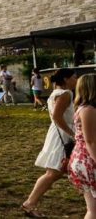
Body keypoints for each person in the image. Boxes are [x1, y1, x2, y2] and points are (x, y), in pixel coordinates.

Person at [22, 68, 77, 217]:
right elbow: (58, 117)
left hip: (58, 133)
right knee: (53, 173)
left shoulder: (57, 92)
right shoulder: (66, 94)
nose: (76, 80)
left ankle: (30, 203)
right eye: (74, 77)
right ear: (66, 79)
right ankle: (29, 203)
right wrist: (73, 134)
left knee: (55, 172)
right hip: (62, 136)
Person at [69, 74, 96, 218]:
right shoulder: (88, 110)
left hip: (83, 157)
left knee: (93, 208)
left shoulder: (84, 108)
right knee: (93, 209)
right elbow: (90, 140)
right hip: (88, 160)